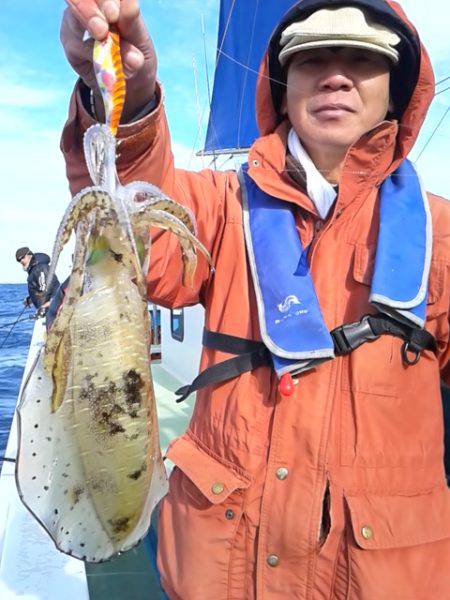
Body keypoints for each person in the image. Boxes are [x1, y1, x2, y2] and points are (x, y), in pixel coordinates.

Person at [61, 1, 450, 598]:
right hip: (220, 572)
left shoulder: (441, 235)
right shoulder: (221, 208)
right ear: (283, 84)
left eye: (363, 59)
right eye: (311, 57)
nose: (335, 74)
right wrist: (126, 97)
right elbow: (137, 220)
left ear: (397, 88)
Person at [15, 247, 60, 311]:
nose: (21, 261)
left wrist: (43, 308)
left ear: (29, 255)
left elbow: (48, 291)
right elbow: (40, 291)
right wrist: (29, 300)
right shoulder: (34, 270)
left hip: (53, 310)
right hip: (46, 309)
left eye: (22, 258)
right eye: (19, 260)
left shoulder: (41, 268)